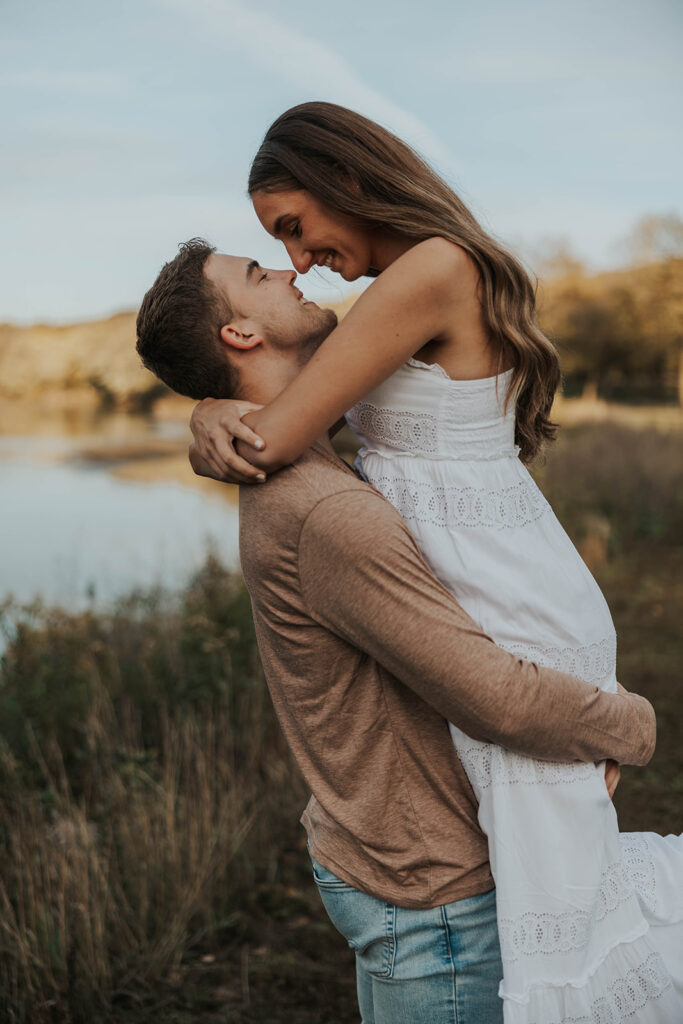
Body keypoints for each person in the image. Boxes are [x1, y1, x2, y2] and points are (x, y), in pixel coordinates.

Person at [186, 103, 683, 1021]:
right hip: (489, 571)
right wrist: (214, 410)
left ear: (350, 179)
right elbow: (286, 403)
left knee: (554, 891)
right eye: (276, 248)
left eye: (294, 229)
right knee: (550, 869)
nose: (298, 262)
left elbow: (277, 432)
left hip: (502, 585)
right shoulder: (394, 296)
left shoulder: (430, 271)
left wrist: (210, 423)